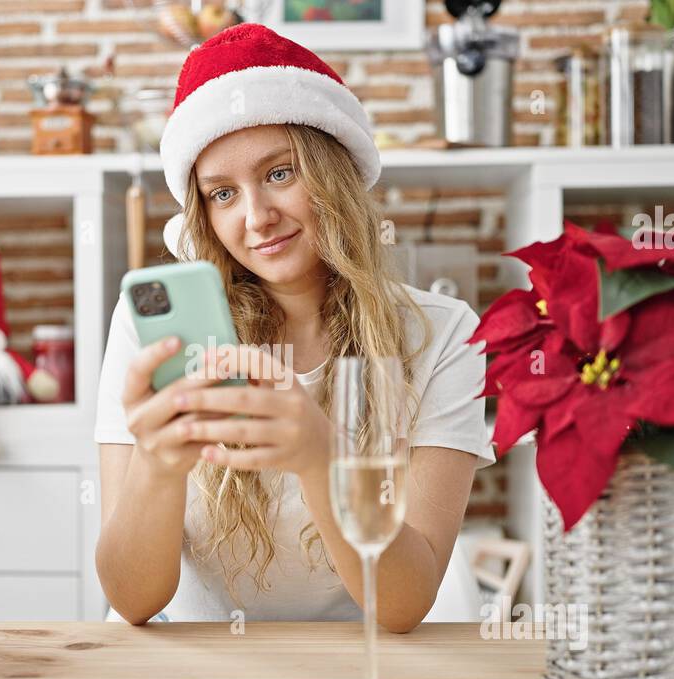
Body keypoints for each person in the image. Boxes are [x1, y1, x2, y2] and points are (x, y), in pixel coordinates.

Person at [94, 23, 495, 632]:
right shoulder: (149, 328)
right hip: (191, 675)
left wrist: (319, 457)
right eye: (222, 193)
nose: (256, 218)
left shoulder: (441, 335)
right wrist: (157, 463)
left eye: (280, 174)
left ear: (331, 174)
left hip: (354, 672)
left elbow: (405, 604)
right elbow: (132, 600)